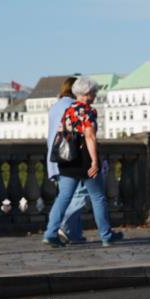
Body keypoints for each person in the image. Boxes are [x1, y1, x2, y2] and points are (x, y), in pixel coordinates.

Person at [43, 76, 124, 247]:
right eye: (94, 92)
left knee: (63, 198)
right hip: (84, 160)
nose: (95, 95)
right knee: (98, 197)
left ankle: (50, 232)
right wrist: (95, 161)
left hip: (67, 160)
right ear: (87, 93)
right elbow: (90, 137)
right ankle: (106, 235)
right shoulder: (88, 111)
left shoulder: (68, 110)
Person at [46, 76, 88, 244]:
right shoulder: (74, 107)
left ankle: (74, 234)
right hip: (72, 159)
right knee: (80, 194)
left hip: (55, 157)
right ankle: (63, 226)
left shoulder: (55, 106)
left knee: (66, 195)